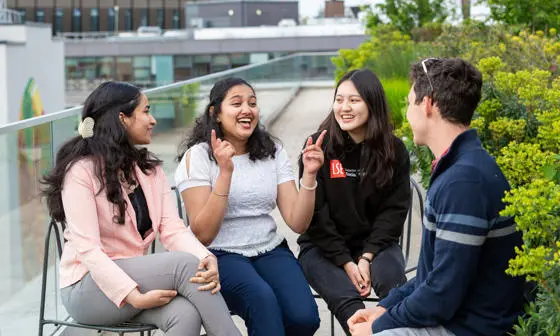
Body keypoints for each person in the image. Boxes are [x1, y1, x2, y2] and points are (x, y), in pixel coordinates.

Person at [42, 81, 240, 336]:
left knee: (185, 315)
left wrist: (207, 259)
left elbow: (172, 229)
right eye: (146, 111)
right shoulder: (80, 172)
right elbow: (89, 250)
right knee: (184, 265)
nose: (153, 119)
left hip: (135, 280)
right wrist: (133, 296)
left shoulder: (148, 170)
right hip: (87, 288)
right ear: (122, 118)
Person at [347, 58, 526, 336]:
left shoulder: (464, 181)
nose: (406, 113)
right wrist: (385, 307)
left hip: (469, 328)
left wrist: (378, 326)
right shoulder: (463, 166)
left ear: (428, 104)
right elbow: (434, 275)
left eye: (409, 103)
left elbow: (440, 296)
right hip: (459, 317)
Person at [175, 77, 322, 336]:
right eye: (237, 103)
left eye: (252, 103)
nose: (247, 110)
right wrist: (225, 173)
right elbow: (203, 234)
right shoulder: (197, 156)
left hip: (268, 248)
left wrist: (309, 176)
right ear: (216, 114)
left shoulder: (272, 151)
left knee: (304, 317)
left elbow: (298, 222)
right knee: (262, 301)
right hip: (217, 254)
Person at [297, 69, 411, 335]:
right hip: (322, 248)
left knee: (395, 290)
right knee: (350, 305)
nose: (344, 107)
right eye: (339, 99)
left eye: (354, 100)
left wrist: (366, 256)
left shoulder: (393, 150)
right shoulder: (318, 146)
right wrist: (347, 262)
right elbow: (315, 215)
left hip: (377, 245)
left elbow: (394, 212)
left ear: (373, 104)